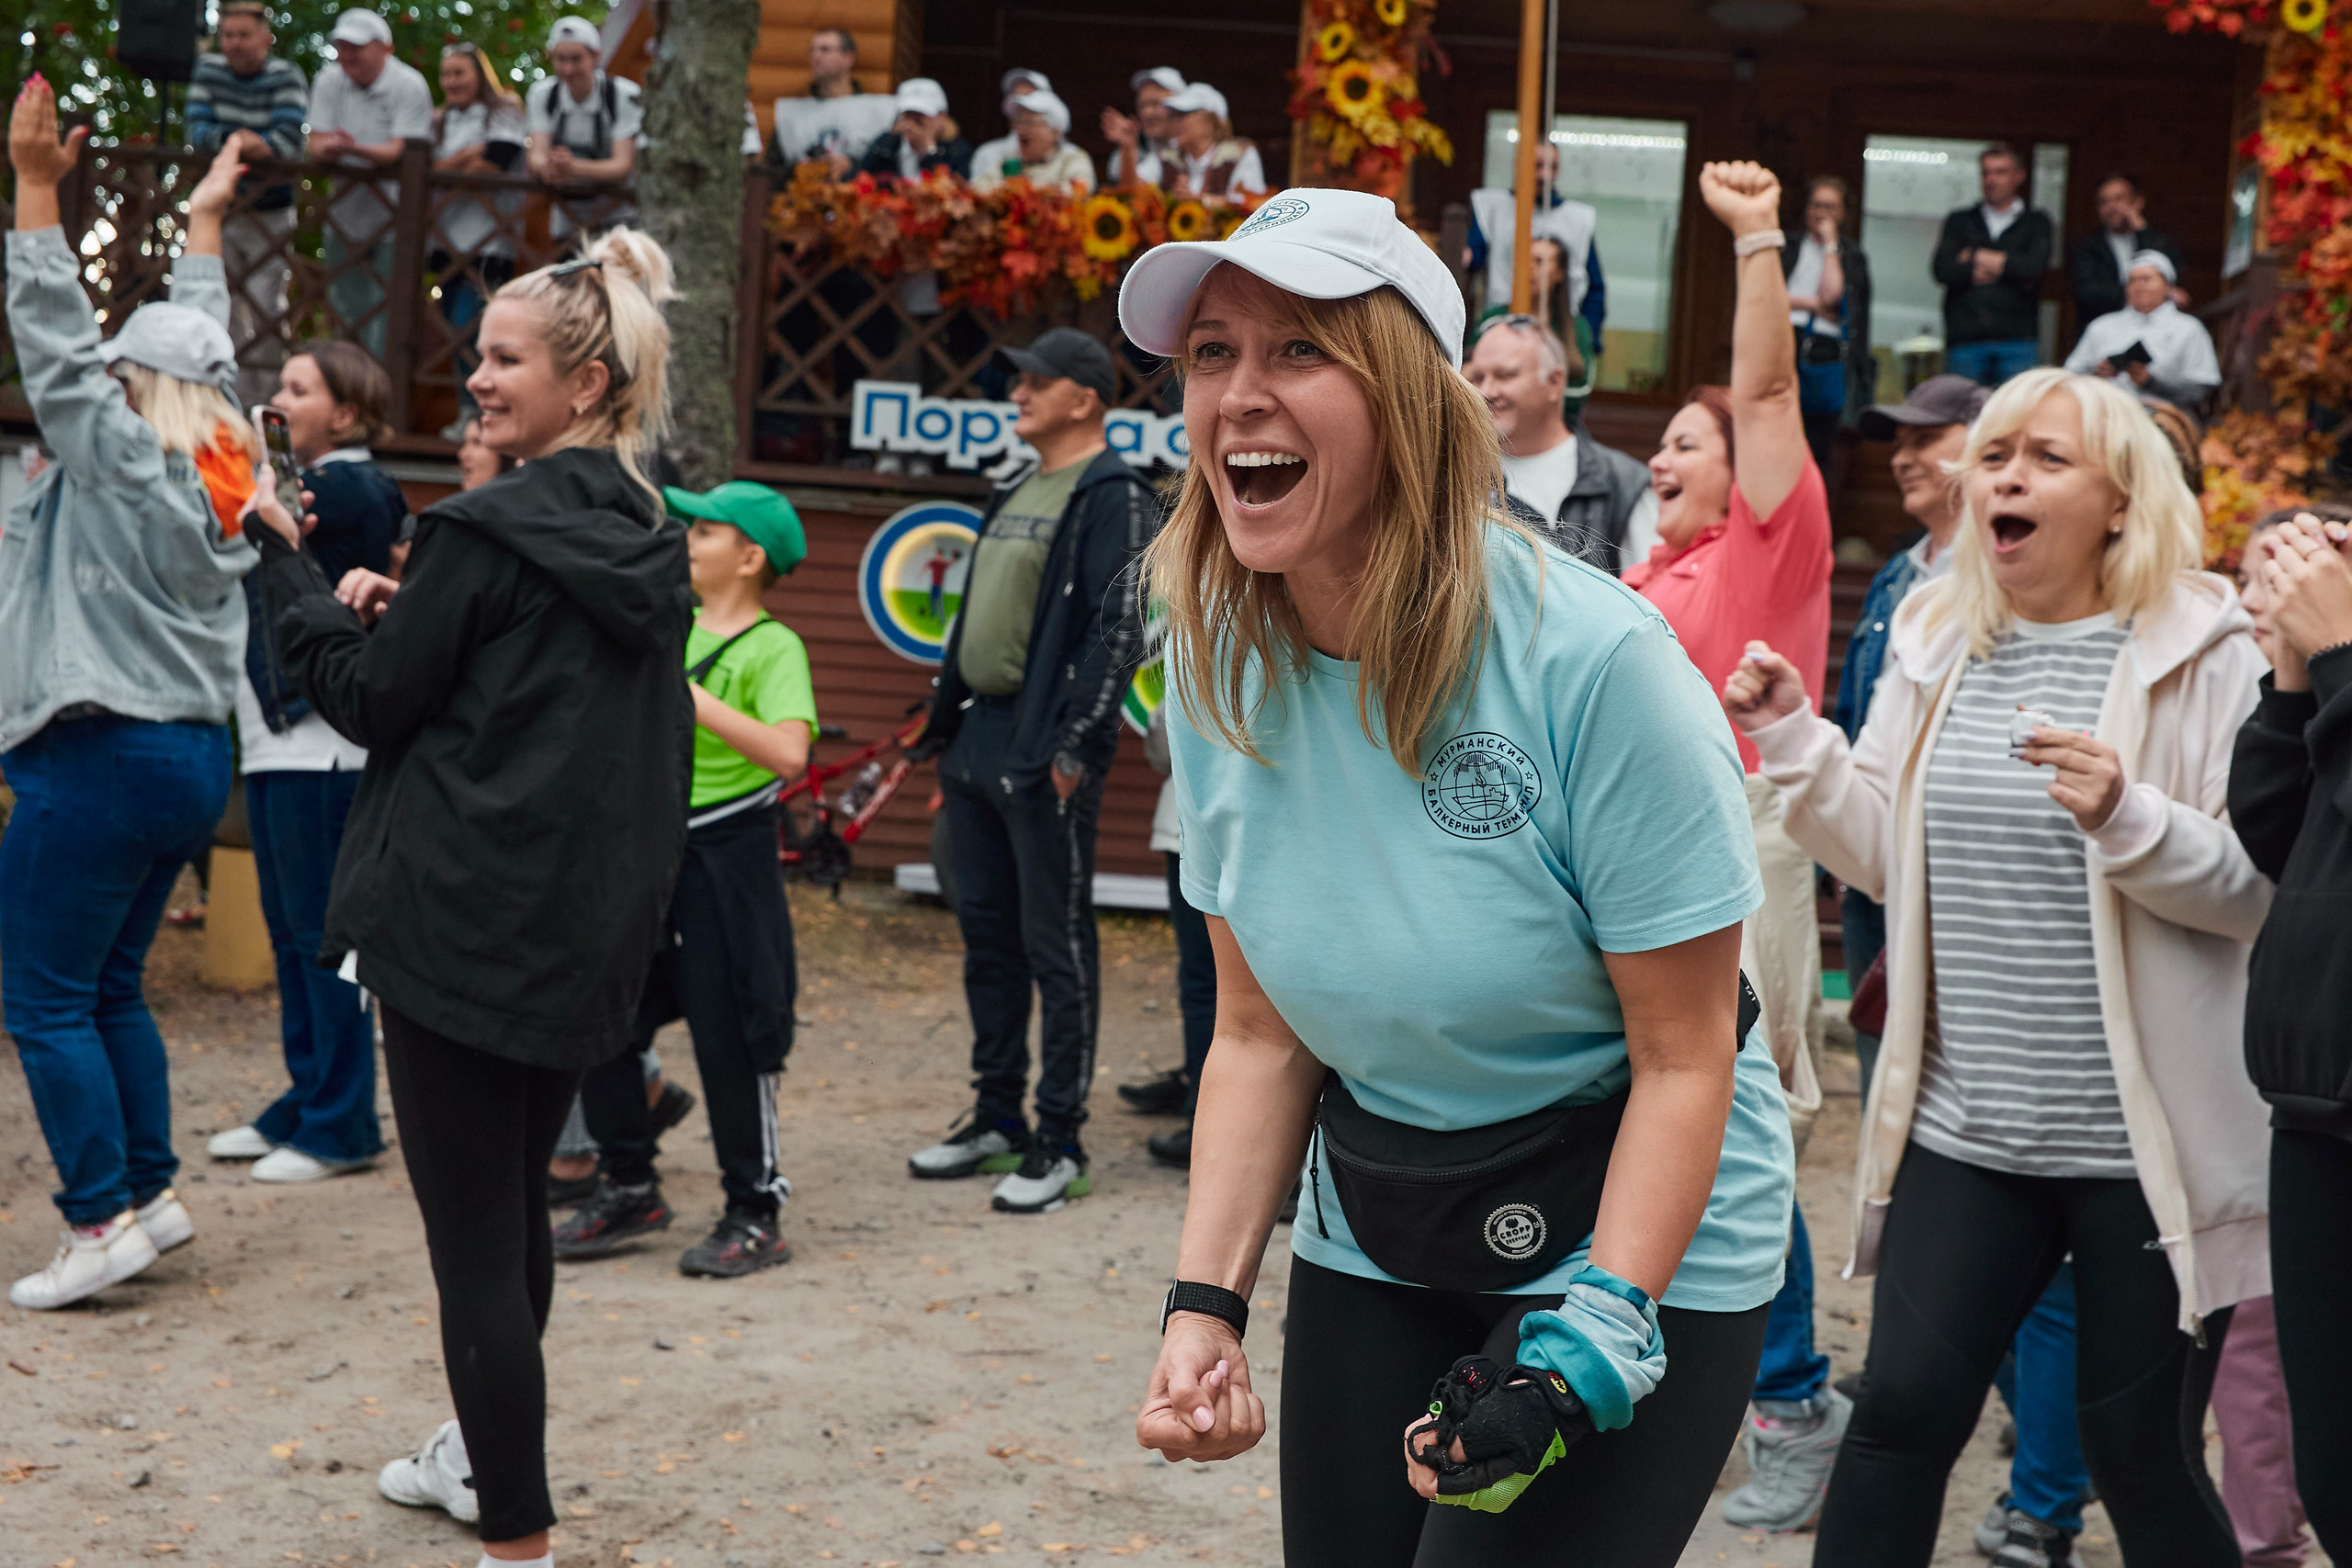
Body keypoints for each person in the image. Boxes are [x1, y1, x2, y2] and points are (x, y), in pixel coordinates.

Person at [1117, 182, 1793, 1565]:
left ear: (1412, 398)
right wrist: (1205, 1303)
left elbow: (1686, 1056)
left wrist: (1590, 1337)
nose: (1241, 394)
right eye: (1213, 353)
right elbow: (1257, 1028)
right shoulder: (1208, 653)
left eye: (1301, 349)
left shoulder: (1593, 663)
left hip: (1633, 1219)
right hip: (1390, 1207)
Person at [1725, 367, 2274, 1568]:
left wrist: (2130, 816)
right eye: (1994, 454)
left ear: (2121, 499)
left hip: (2144, 1154)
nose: (2003, 475)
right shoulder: (1935, 635)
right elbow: (1882, 853)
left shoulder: (2212, 649)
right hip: (1967, 1134)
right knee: (1900, 1421)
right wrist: (1793, 742)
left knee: (2140, 1452)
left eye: (2044, 456)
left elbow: (2254, 892)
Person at [245, 227, 693, 1567]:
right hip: (577, 935)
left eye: (505, 360)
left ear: (590, 383)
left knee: (477, 1251)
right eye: (479, 352)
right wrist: (404, 598)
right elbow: (515, 694)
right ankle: (473, 1461)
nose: (477, 377)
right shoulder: (646, 535)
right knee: (511, 1214)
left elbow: (370, 705)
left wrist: (286, 561)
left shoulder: (485, 531)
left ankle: (517, 1538)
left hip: (454, 927)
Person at [1, 85, 254, 1313]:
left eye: (111, 372)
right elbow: (200, 335)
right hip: (191, 755)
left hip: (96, 750)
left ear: (129, 388)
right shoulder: (226, 463)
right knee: (109, 985)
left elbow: (51, 340)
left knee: (43, 995)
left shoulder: (116, 457)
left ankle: (98, 1215)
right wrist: (204, 224)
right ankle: (148, 1193)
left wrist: (36, 190)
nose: (90, 378)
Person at [904, 327, 1154, 1215]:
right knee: (987, 939)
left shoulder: (1113, 492)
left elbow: (1120, 626)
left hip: (1045, 749)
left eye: (1034, 382)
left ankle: (1060, 1139)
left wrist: (1076, 745)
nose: (1017, 393)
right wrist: (942, 731)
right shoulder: (1016, 486)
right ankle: (996, 1117)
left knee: (1057, 947)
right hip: (981, 738)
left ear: (1083, 397)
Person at [1623, 162, 1832, 1192]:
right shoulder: (1643, 576)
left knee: (1746, 1111)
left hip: (1744, 832)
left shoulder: (1771, 546)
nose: (1661, 456)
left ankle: (1779, 1362)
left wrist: (1756, 235)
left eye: (1686, 443)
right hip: (1639, 845)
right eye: (1658, 442)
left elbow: (1765, 391)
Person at [555, 482, 815, 1279]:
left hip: (726, 859)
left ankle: (754, 1207)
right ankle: (629, 1181)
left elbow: (788, 755)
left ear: (749, 556)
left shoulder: (775, 647)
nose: (685, 540)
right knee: (602, 1013)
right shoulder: (673, 621)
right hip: (649, 849)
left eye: (703, 531)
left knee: (731, 1031)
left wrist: (694, 699)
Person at [204, 342, 405, 1185]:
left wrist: (258, 452)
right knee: (291, 931)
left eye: (298, 388)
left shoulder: (355, 486)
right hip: (279, 732)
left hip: (326, 743)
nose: (276, 398)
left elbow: (270, 513)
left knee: (323, 936)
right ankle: (308, 1093)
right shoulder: (301, 478)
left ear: (347, 414)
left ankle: (343, 1118)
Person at [2230, 506, 2352, 1564]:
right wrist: (2295, 675)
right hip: (2315, 1112)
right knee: (2334, 1475)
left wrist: (2343, 653)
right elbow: (2278, 831)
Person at [183, 1, 308, 408]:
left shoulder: (286, 76)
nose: (234, 43)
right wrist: (245, 142)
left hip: (271, 210)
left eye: (243, 35)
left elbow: (287, 141)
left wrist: (233, 143)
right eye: (228, 35)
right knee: (223, 302)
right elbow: (197, 131)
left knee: (267, 306)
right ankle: (224, 396)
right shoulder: (209, 70)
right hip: (225, 211)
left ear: (264, 38)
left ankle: (267, 400)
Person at [1115, 699, 1221, 1172]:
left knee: (1203, 981)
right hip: (1200, 830)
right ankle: (1193, 1082)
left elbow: (1162, 749)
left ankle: (1205, 1113)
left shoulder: (1195, 650)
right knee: (1208, 980)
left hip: (1193, 828)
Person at [1464, 313, 1655, 574]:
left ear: (1555, 382)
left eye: (1505, 375)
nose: (1486, 392)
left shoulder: (1623, 483)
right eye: (1477, 378)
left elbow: (1649, 595)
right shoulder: (1456, 474)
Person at [307, 9, 435, 362]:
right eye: (342, 48)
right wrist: (329, 148)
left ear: (384, 49)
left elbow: (401, 151)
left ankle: (380, 392)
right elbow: (315, 141)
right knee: (344, 308)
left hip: (397, 222)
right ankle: (343, 387)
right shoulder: (330, 80)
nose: (347, 56)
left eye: (356, 48)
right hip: (344, 219)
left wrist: (350, 148)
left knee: (388, 315)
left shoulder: (408, 85)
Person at [1465, 141, 1608, 361]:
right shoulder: (1490, 207)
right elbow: (1472, 258)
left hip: (1560, 327)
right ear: (1518, 164)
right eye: (1537, 165)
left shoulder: (1579, 219)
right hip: (1504, 321)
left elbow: (1595, 286)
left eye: (1552, 167)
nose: (1544, 174)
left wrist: (1587, 338)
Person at [1931, 143, 2052, 388]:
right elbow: (1942, 269)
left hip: (2018, 341)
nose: (1991, 180)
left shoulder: (2036, 223)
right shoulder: (1960, 221)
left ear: (2019, 176)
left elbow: (2033, 269)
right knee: (1962, 416)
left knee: (2013, 416)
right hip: (1965, 340)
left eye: (2000, 172)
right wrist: (2007, 265)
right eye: (1986, 172)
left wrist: (1974, 255)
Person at [430, 43, 527, 338]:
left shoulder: (504, 110)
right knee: (450, 330)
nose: (451, 82)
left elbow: (492, 163)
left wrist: (447, 168)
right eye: (446, 74)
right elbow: (425, 172)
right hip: (444, 242)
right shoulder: (439, 120)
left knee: (471, 330)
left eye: (459, 73)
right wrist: (464, 157)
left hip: (490, 243)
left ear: (480, 75)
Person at [1783, 175, 1876, 475]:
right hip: (1784, 340)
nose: (1822, 213)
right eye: (1816, 205)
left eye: (1830, 207)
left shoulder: (1851, 255)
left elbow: (1833, 295)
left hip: (1825, 350)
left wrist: (1830, 245)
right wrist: (1813, 305)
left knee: (1818, 439)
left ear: (1843, 213)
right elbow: (1765, 294)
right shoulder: (1786, 245)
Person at [526, 17, 642, 239]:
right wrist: (549, 169)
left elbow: (622, 165)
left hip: (618, 221)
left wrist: (569, 167)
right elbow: (536, 156)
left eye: (576, 59)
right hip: (567, 223)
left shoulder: (622, 95)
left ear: (595, 57)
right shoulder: (543, 95)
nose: (568, 69)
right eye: (561, 59)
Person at [2064, 253, 2220, 410]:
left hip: (2161, 417)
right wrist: (2096, 374)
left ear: (2168, 286)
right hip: (2106, 414)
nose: (2139, 286)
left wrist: (2150, 382)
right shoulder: (2101, 326)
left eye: (2147, 279)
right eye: (2132, 281)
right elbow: (2068, 378)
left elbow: (2203, 389)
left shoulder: (2188, 328)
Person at [768, 27, 895, 175]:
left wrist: (852, 166)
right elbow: (772, 167)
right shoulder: (792, 114)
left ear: (848, 58)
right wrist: (800, 170)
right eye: (812, 50)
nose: (816, 56)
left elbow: (888, 166)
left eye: (825, 50)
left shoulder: (879, 112)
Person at [2070, 173, 2187, 330]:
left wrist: (2142, 230)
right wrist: (2139, 293)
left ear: (2137, 202)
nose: (2111, 207)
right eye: (2104, 202)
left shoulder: (2156, 239)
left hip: (2154, 328)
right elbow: (2087, 290)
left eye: (2118, 199)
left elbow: (2170, 271)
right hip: (2104, 328)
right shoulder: (2087, 245)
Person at [1156, 83, 1265, 204]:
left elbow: (1251, 203)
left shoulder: (1241, 153)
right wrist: (1130, 150)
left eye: (1184, 114)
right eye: (1173, 116)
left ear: (1210, 122)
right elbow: (1139, 189)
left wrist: (1201, 201)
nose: (1175, 122)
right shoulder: (1165, 156)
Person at [971, 88, 1093, 195]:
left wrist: (1019, 192)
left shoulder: (1073, 158)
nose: (1021, 130)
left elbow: (1077, 190)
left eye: (1029, 123)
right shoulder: (1011, 160)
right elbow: (979, 187)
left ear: (1055, 132)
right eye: (1019, 122)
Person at [858, 78, 971, 184]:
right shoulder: (886, 145)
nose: (912, 124)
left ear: (942, 117)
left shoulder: (958, 151)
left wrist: (930, 151)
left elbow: (954, 189)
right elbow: (863, 179)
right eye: (908, 116)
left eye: (920, 117)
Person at [1103, 66, 1184, 187]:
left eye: (1156, 104)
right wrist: (1128, 148)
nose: (1147, 113)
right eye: (1142, 106)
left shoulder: (1208, 148)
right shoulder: (1156, 157)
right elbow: (1132, 193)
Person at [970, 68, 1051, 187]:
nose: (1022, 108)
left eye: (1030, 98)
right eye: (1016, 98)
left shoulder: (1070, 157)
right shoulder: (987, 153)